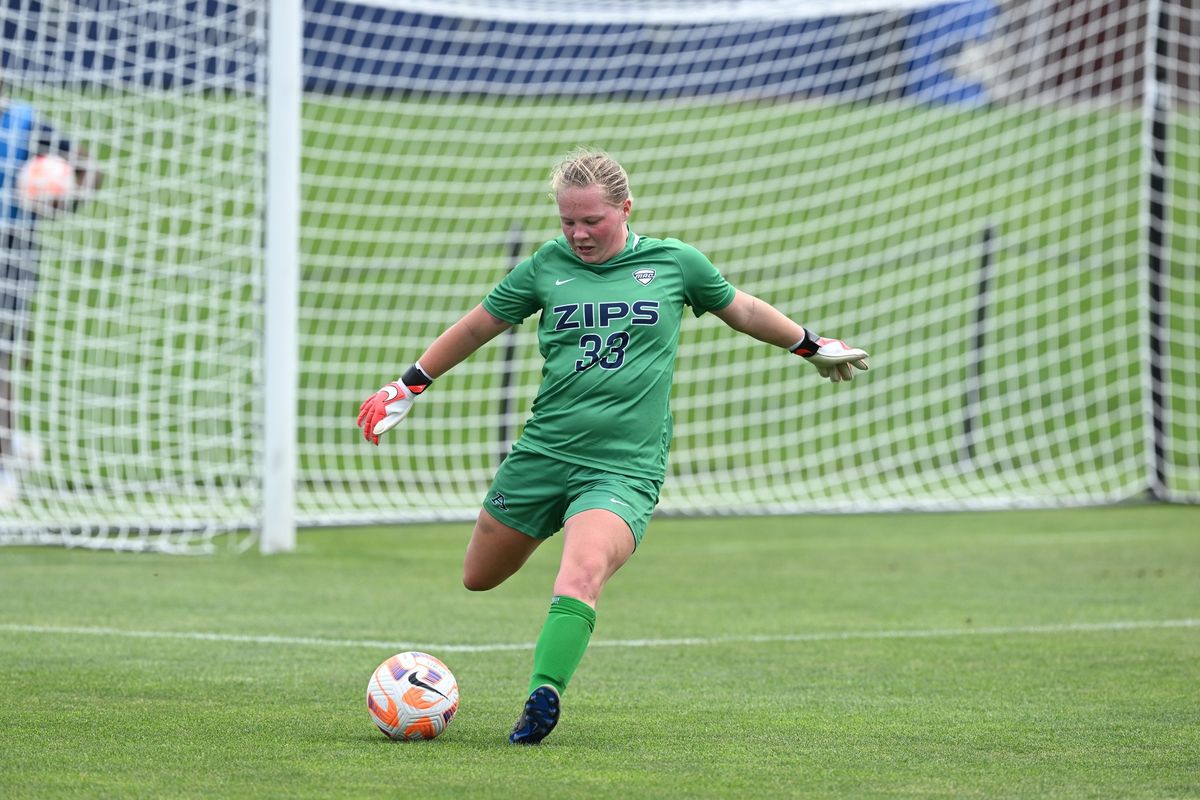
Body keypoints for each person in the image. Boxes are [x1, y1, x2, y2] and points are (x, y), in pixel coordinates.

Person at [356, 148, 869, 745]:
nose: (577, 234)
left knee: (581, 574)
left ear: (625, 209)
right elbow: (478, 325)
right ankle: (554, 526)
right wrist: (409, 384)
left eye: (591, 221)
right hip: (543, 455)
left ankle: (542, 698)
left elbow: (744, 309)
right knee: (478, 577)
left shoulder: (676, 263)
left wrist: (808, 344)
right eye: (567, 221)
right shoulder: (546, 266)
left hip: (622, 468)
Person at [1, 75, 102, 503]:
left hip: (11, 251)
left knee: (2, 359)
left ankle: (5, 466)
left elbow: (91, 170)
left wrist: (64, 195)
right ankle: (18, 445)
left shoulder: (24, 123)